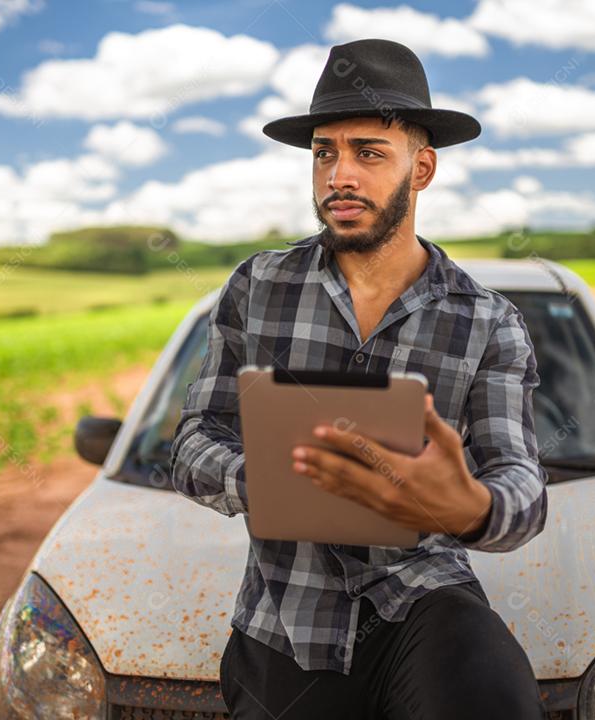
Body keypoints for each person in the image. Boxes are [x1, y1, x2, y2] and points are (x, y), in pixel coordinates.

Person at [169, 37, 548, 720]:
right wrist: (270, 482)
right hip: (283, 621)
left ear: (422, 168)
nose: (339, 174)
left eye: (369, 152)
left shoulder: (489, 322)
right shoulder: (256, 287)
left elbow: (522, 486)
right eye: (324, 152)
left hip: (426, 601)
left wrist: (469, 507)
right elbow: (195, 439)